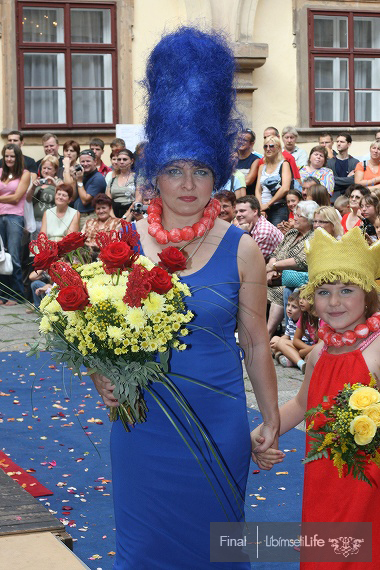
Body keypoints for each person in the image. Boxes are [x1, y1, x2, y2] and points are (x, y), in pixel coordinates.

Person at [89, 27, 280, 569]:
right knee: (144, 550)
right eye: (174, 169)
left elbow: (256, 341)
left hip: (219, 423)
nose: (189, 183)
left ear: (217, 174)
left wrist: (268, 419)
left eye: (201, 169)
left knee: (218, 551)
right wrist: (99, 374)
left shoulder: (242, 249)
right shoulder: (123, 245)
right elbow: (93, 332)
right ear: (156, 175)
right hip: (142, 423)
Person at [253, 226, 380, 569]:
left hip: (368, 482)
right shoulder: (319, 353)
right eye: (323, 291)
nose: (334, 301)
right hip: (325, 476)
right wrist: (269, 428)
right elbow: (301, 404)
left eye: (346, 290)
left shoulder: (377, 351)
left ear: (368, 295)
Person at [266, 200, 319, 336]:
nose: (294, 217)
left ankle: (270, 335)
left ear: (310, 219)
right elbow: (275, 253)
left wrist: (273, 266)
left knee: (282, 292)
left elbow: (301, 261)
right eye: (295, 214)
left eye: (299, 215)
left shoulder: (314, 237)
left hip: (295, 279)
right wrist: (271, 269)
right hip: (275, 276)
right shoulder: (291, 233)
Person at [0, 144, 30, 304]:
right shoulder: (0, 172)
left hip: (14, 217)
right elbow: (11, 196)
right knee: (1, 257)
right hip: (0, 217)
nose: (9, 159)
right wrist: (8, 196)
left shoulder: (24, 174)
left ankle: (17, 294)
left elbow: (16, 197)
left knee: (14, 256)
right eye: (7, 156)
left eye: (12, 156)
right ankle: (3, 294)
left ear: (17, 157)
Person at [255, 135, 292, 226]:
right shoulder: (262, 167)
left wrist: (268, 204)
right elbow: (258, 190)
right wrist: (261, 207)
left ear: (278, 148)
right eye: (265, 146)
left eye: (271, 146)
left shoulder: (284, 164)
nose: (268, 149)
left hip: (278, 208)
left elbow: (285, 188)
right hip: (262, 208)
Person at [235, 195, 283, 261]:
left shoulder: (264, 231)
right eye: (236, 212)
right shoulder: (242, 225)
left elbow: (250, 261)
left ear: (255, 211)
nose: (237, 215)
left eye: (242, 211)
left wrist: (244, 235)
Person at [270, 289, 308, 372]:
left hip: (302, 348)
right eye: (288, 305)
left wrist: (280, 344)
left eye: (294, 307)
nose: (289, 309)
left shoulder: (303, 322)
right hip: (292, 345)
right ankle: (283, 356)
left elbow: (304, 343)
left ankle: (299, 363)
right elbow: (286, 336)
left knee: (281, 343)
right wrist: (278, 343)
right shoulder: (291, 320)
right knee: (274, 339)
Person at [27, 155, 62, 233]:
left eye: (49, 168)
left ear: (55, 170)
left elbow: (65, 199)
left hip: (53, 222)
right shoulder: (37, 181)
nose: (46, 171)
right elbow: (28, 200)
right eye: (44, 168)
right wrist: (33, 187)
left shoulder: (59, 182)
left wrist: (55, 185)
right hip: (35, 222)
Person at [73, 149, 106, 230]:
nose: (85, 164)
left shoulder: (98, 178)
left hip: (89, 216)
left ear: (95, 161)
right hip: (77, 215)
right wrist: (74, 179)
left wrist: (79, 181)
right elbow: (72, 197)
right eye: (82, 162)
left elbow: (85, 200)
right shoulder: (82, 174)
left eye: (88, 161)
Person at [82, 194, 121, 258]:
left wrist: (98, 246)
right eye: (98, 208)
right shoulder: (89, 222)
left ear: (110, 208)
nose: (101, 211)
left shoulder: (117, 222)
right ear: (95, 210)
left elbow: (115, 243)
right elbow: (81, 240)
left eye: (103, 208)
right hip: (86, 255)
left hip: (107, 257)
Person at [327, 133, 359, 203]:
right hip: (332, 201)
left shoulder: (355, 163)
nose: (338, 144)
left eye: (342, 142)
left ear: (349, 144)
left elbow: (354, 182)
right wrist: (347, 179)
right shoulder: (329, 163)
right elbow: (329, 183)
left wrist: (336, 181)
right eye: (337, 141)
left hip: (350, 200)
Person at [105, 148, 137, 218]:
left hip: (132, 215)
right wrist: (114, 219)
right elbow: (107, 203)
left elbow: (138, 200)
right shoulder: (112, 181)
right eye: (119, 159)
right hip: (115, 216)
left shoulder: (137, 178)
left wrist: (125, 217)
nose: (121, 162)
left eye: (125, 159)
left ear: (132, 161)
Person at [236, 129, 260, 194]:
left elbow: (248, 181)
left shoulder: (255, 160)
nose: (241, 142)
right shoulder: (232, 158)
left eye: (245, 140)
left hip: (247, 199)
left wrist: (233, 183)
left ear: (251, 144)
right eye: (239, 139)